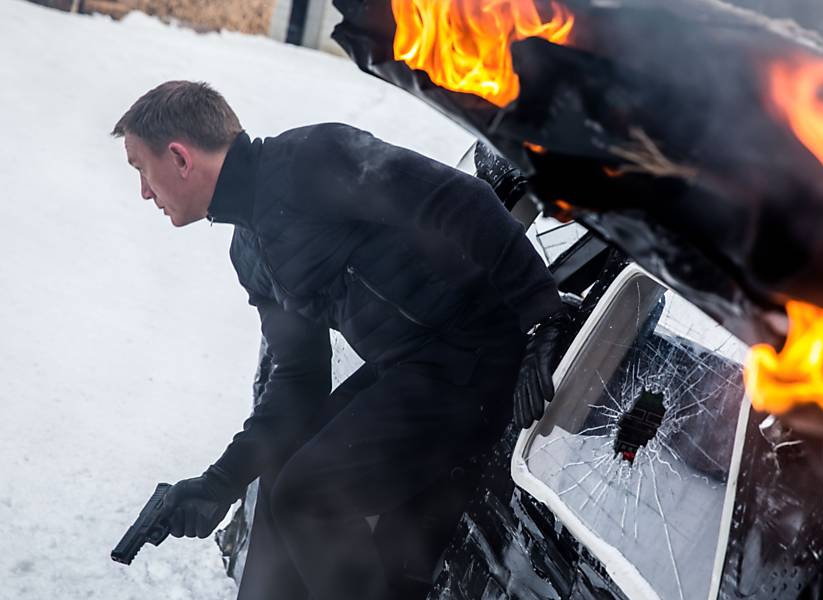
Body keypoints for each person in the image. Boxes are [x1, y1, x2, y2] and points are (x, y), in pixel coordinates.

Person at [113, 80, 567, 600]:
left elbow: (456, 200)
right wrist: (219, 483)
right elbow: (300, 382)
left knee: (310, 494)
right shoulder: (250, 252)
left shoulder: (313, 159)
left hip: (480, 350)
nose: (145, 191)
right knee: (284, 472)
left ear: (179, 158)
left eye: (140, 169)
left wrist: (542, 318)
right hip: (412, 371)